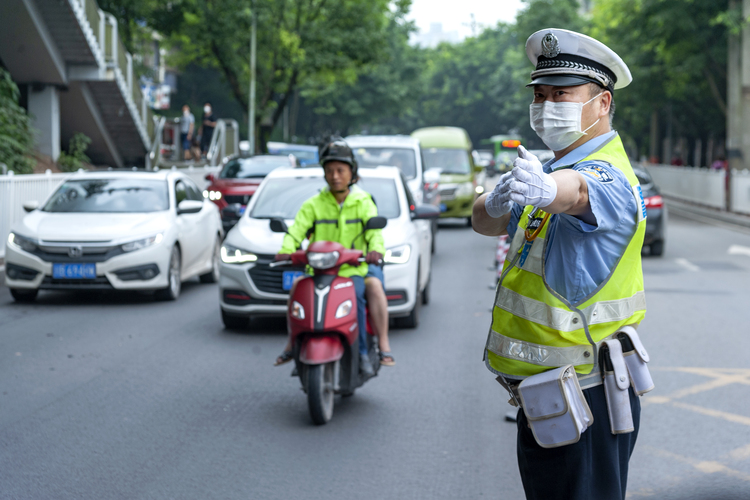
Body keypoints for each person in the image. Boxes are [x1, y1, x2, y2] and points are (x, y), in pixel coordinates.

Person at [472, 29, 650, 500]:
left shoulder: (606, 173)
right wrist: (494, 200)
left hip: (587, 395)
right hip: (548, 396)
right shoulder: (544, 172)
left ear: (602, 103)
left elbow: (580, 192)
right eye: (541, 94)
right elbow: (485, 224)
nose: (547, 105)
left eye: (562, 95)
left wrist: (551, 192)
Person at [274, 138, 394, 374]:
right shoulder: (313, 204)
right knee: (297, 289)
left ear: (352, 173)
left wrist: (375, 251)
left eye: (340, 170)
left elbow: (374, 233)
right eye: (329, 171)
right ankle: (293, 344)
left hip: (352, 271)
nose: (335, 176)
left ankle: (364, 353)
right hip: (318, 271)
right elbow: (296, 231)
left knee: (360, 297)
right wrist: (286, 250)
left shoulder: (363, 202)